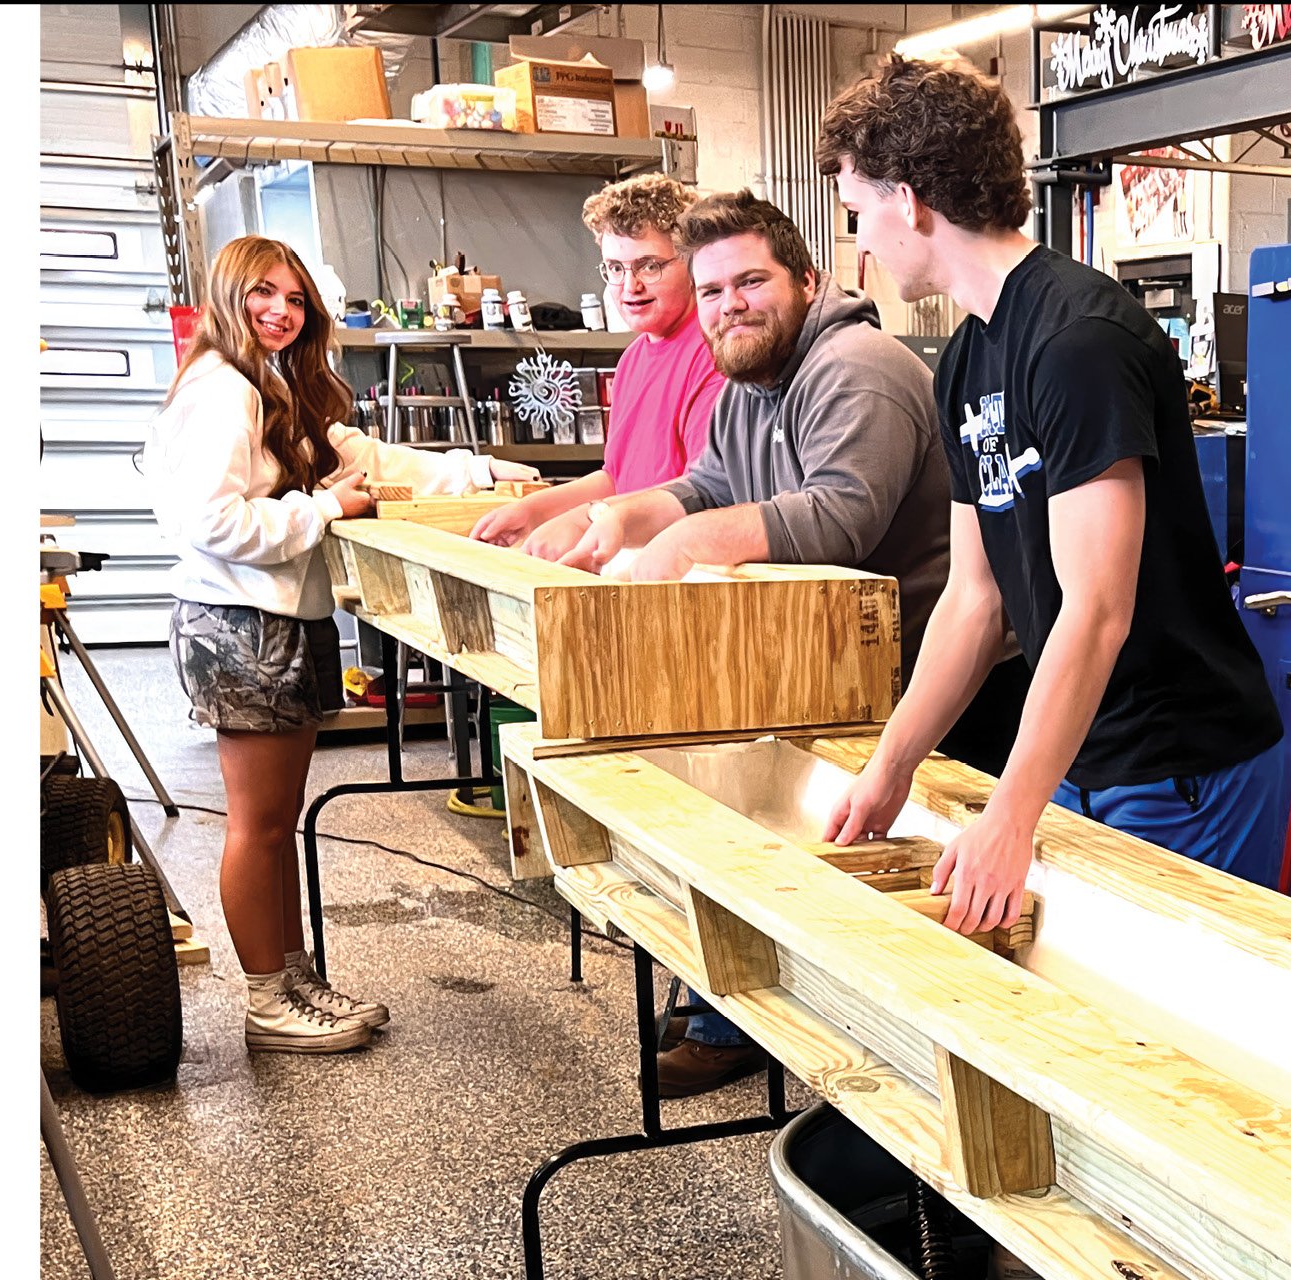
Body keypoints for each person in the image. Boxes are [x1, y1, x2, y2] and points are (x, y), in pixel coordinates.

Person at [814, 57, 1284, 939]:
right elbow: (974, 600)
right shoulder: (965, 361)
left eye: (857, 212)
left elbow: (1098, 608)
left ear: (908, 200)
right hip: (1077, 748)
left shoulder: (1080, 341)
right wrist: (891, 765)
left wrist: (1011, 814)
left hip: (1176, 761)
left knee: (1153, 1012)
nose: (860, 242)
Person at [552, 190, 953, 1095]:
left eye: (750, 281)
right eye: (712, 290)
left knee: (874, 872)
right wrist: (615, 518)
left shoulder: (855, 367)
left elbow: (841, 517)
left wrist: (687, 543)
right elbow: (703, 485)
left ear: (807, 278)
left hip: (927, 681)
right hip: (830, 672)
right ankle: (748, 1005)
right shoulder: (749, 387)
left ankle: (870, 1060)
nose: (729, 305)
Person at [145, 235, 538, 1055]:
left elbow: (368, 459)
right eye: (263, 293)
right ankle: (267, 1000)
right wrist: (323, 511)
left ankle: (292, 978)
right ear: (228, 294)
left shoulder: (272, 382)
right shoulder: (223, 390)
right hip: (241, 623)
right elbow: (209, 522)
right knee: (258, 824)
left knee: (277, 821)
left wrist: (486, 473)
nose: (281, 311)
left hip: (276, 619)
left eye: (295, 299)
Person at [472, 173, 725, 556]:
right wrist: (532, 511)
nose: (629, 286)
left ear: (692, 262)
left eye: (649, 266)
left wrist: (586, 519)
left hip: (681, 563)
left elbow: (702, 492)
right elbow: (615, 478)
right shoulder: (632, 361)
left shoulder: (714, 356)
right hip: (628, 552)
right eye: (615, 268)